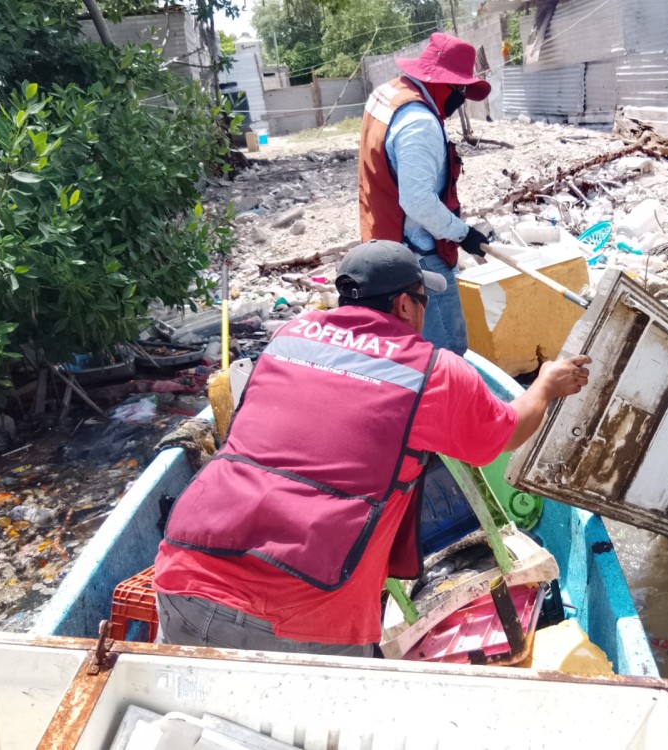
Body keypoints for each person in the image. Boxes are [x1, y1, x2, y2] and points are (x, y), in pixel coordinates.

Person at [154, 240, 591, 656]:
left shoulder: (291, 335)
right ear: (404, 304)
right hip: (304, 612)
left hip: (183, 572)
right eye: (423, 301)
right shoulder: (434, 372)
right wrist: (546, 387)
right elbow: (505, 434)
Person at [358, 33, 492, 356]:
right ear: (439, 82)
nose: (461, 98)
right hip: (418, 259)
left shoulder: (387, 94)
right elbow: (417, 200)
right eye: (459, 89)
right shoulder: (420, 124)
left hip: (381, 244)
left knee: (404, 349)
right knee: (445, 353)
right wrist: (463, 234)